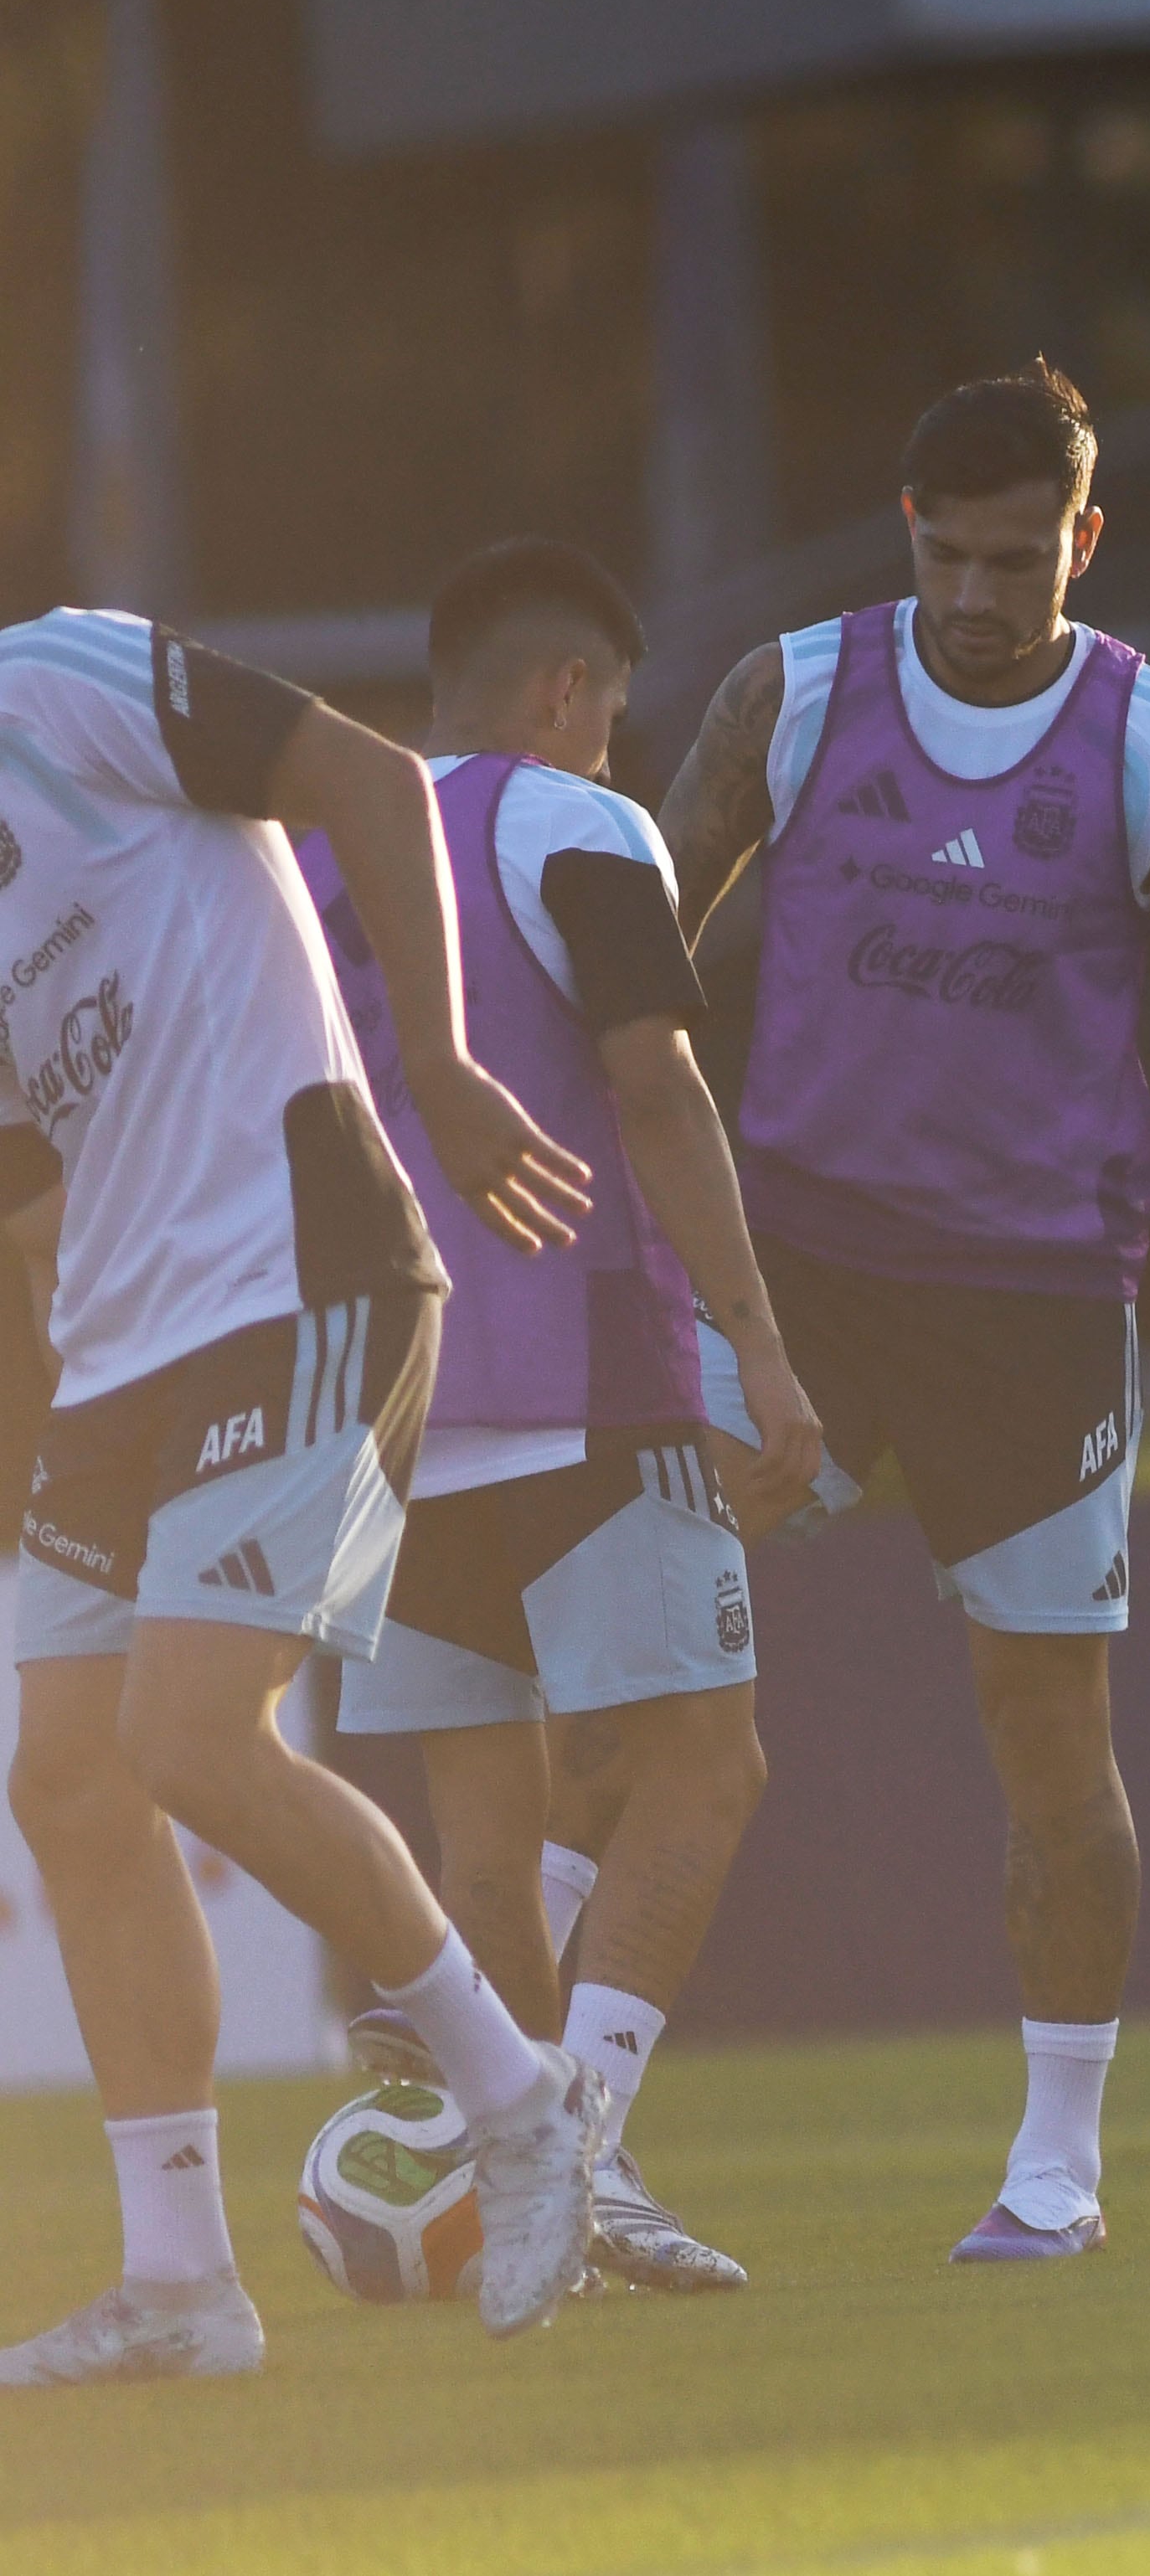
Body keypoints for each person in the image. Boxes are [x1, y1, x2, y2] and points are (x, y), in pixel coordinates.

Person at [658, 362, 1150, 2261]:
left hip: (1033, 1298)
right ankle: (545, 2106)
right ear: (906, 526)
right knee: (622, 1646)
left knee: (1046, 1728)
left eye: (1027, 556)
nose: (986, 593)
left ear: (1086, 537)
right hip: (800, 1276)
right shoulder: (796, 691)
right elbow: (642, 940)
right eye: (954, 552)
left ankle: (1057, 2166)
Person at [0, 606, 604, 2381]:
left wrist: (435, 1061)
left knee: (191, 1736)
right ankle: (182, 2282)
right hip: (116, 1354)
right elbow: (23, 1191)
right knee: (68, 1776)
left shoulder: (52, 684)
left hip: (305, 1270)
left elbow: (365, 770)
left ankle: (518, 2097)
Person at [302, 541, 825, 2288]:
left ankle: (543, 2184)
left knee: (488, 1835)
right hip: (595, 1380)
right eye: (609, 710)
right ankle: (583, 2170)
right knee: (705, 1766)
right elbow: (656, 1083)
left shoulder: (319, 853)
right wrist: (759, 1342)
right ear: (566, 692)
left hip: (388, 1406)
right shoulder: (578, 821)